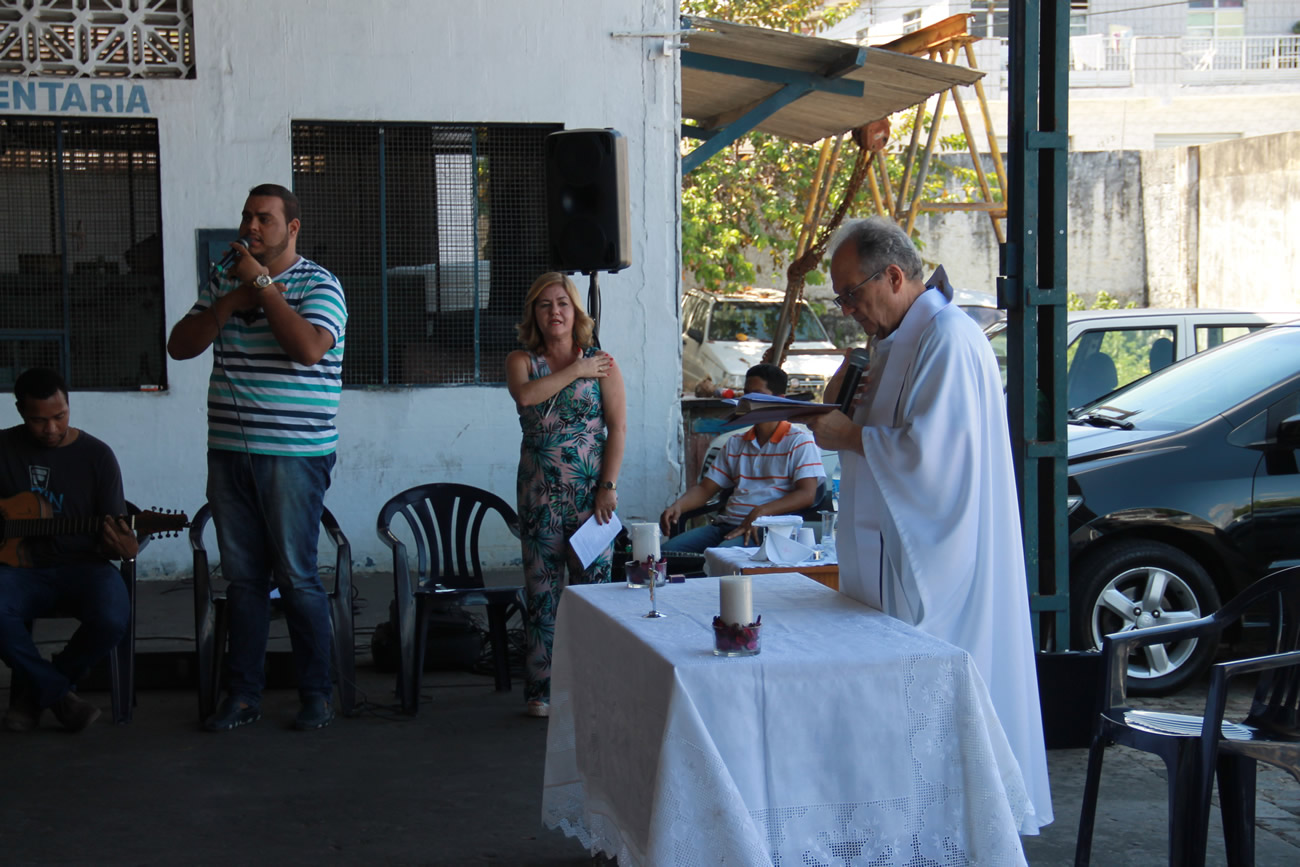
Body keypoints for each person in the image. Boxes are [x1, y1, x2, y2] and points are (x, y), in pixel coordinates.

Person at [801, 217, 1053, 835]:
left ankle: (952, 832)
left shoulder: (948, 338)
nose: (848, 310)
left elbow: (931, 460)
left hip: (942, 567)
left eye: (852, 294)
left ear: (893, 276)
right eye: (841, 298)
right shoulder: (899, 341)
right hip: (894, 558)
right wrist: (846, 409)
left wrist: (850, 435)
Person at [167, 183, 346, 732]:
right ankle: (243, 695)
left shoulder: (320, 284)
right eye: (247, 216)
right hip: (229, 452)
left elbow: (307, 349)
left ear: (292, 227)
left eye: (264, 218)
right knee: (243, 580)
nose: (250, 227)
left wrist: (263, 288)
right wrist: (229, 302)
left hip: (293, 456)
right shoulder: (225, 279)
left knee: (296, 576)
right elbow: (180, 346)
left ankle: (318, 694)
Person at [506, 272, 626, 719]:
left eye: (562, 304)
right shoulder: (522, 360)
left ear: (576, 312)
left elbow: (618, 428)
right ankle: (543, 690)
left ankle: (597, 684)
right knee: (542, 593)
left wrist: (607, 487)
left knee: (595, 592)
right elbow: (526, 397)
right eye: (544, 305)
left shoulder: (603, 364)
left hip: (590, 495)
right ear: (534, 314)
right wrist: (575, 370)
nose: (554, 312)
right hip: (539, 493)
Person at [0, 368, 137, 733]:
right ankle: (60, 696)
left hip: (84, 567)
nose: (51, 429)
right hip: (17, 570)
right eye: (38, 420)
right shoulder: (3, 448)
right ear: (20, 411)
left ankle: (36, 693)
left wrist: (126, 548)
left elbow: (118, 535)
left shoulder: (97, 456)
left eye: (59, 416)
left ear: (68, 406)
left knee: (112, 617)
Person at [661, 363, 824, 553]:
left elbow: (807, 495)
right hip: (724, 526)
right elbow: (705, 489)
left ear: (779, 399)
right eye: (746, 394)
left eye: (757, 394)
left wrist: (761, 512)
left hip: (765, 531)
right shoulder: (735, 442)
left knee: (720, 557)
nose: (748, 400)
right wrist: (678, 506)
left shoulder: (799, 442)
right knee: (665, 555)